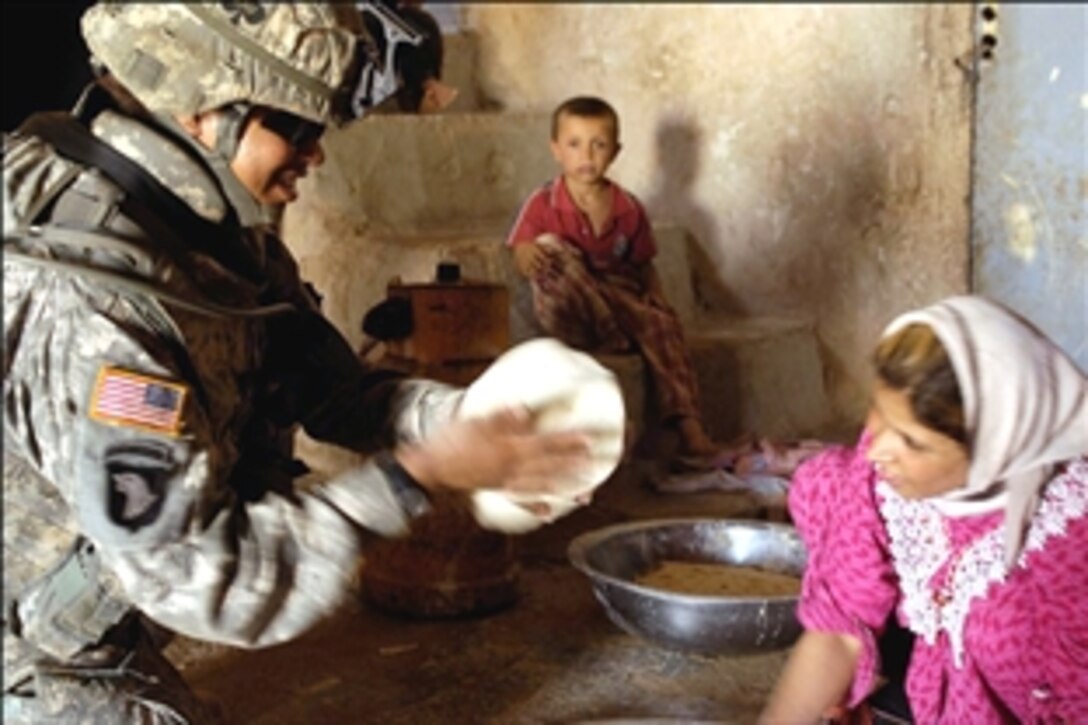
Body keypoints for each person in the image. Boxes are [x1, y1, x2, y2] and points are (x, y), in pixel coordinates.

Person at [2, 4, 591, 722]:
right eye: (299, 128)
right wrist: (419, 475)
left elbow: (335, 391)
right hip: (35, 642)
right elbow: (207, 577)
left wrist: (470, 418)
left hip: (109, 594)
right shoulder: (102, 307)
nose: (316, 155)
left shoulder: (209, 235)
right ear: (202, 112)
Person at [759, 295, 1088, 723]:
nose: (878, 450)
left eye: (913, 442)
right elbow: (839, 634)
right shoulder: (882, 485)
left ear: (993, 450)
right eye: (878, 410)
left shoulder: (1068, 539)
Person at [505, 95, 728, 470]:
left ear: (615, 152)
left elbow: (643, 266)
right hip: (571, 307)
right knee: (551, 250)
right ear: (556, 150)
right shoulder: (543, 203)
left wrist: (656, 300)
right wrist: (525, 254)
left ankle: (688, 423)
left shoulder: (628, 207)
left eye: (599, 145)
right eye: (574, 144)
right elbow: (521, 252)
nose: (586, 155)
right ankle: (611, 336)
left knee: (662, 326)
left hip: (619, 299)